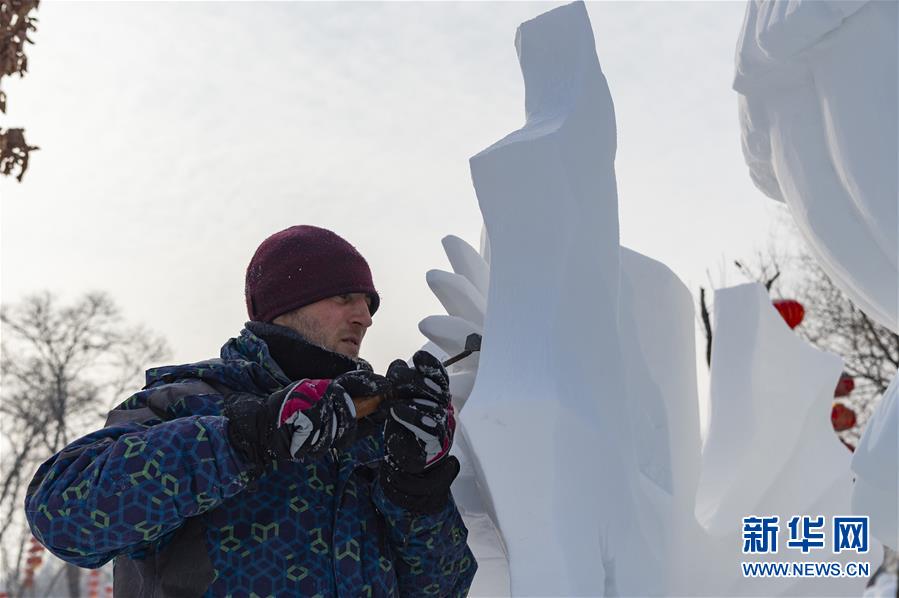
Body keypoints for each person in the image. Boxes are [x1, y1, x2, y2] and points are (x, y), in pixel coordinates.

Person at [24, 225, 477, 597]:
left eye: (369, 304)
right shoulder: (187, 400)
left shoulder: (375, 434)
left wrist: (416, 487)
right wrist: (247, 438)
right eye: (344, 298)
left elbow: (444, 589)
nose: (365, 316)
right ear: (283, 306)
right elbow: (62, 516)